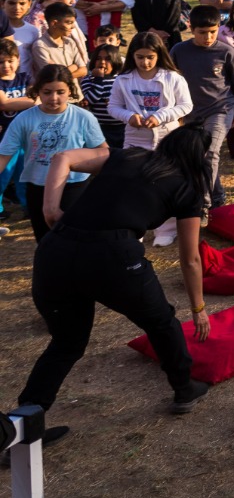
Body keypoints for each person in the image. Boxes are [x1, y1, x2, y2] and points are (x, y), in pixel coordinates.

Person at [18, 125, 213, 429]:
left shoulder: (127, 156)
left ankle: (25, 422)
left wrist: (51, 210)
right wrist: (198, 308)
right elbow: (190, 259)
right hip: (112, 256)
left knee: (66, 343)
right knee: (161, 323)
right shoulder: (187, 187)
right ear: (201, 157)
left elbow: (62, 157)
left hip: (56, 250)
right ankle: (184, 387)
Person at [0, 64, 107, 241]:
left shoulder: (83, 117)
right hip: (37, 186)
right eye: (47, 92)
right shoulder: (24, 119)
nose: (54, 98)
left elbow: (102, 151)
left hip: (74, 186)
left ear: (70, 90)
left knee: (74, 239)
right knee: (45, 241)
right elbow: (4, 156)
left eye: (60, 92)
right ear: (37, 91)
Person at [170, 5, 234, 209]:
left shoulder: (226, 52)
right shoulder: (179, 51)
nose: (208, 37)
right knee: (196, 156)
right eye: (202, 32)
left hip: (221, 109)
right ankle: (218, 195)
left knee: (210, 153)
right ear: (191, 28)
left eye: (213, 32)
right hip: (190, 112)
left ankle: (202, 204)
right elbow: (170, 81)